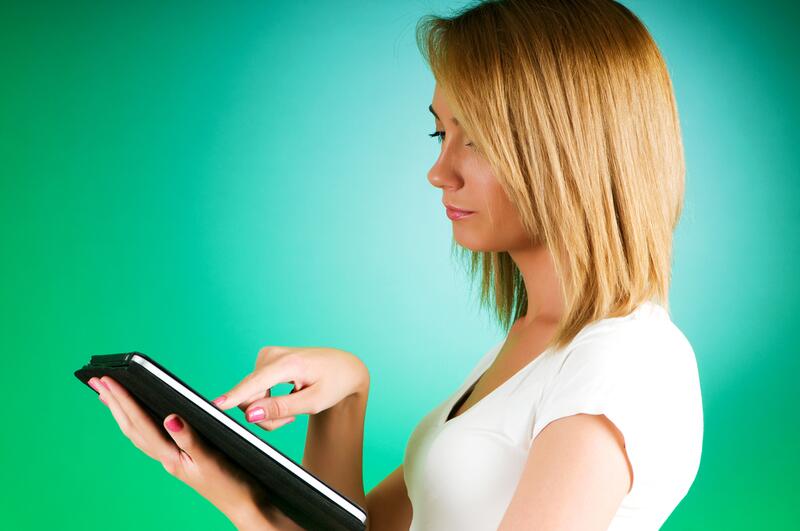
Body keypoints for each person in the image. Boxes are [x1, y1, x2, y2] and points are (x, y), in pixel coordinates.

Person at [87, 0, 704, 529]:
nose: (440, 172)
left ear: (572, 150)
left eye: (477, 139)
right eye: (441, 135)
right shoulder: (530, 345)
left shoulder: (624, 361)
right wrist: (345, 399)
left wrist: (246, 506)